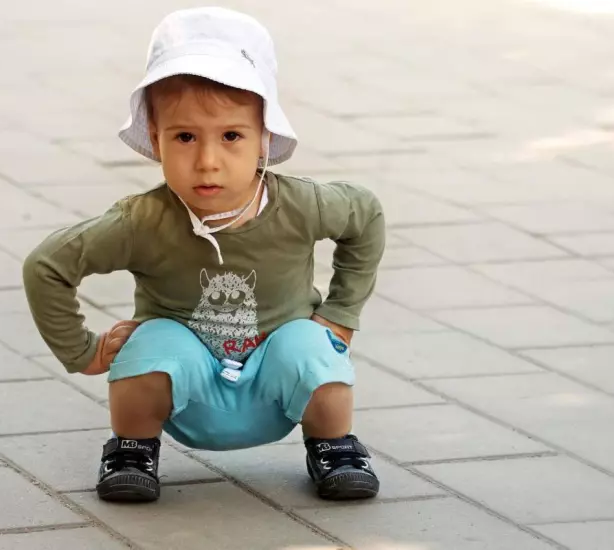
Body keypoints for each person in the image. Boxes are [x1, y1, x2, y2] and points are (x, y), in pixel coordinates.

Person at [23, 6, 385, 503]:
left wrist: (341, 312)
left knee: (309, 344)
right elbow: (47, 265)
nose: (207, 161)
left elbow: (365, 215)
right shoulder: (142, 221)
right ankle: (131, 449)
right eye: (185, 137)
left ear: (264, 138)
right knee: (155, 340)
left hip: (275, 385)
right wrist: (82, 351)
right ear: (156, 140)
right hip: (185, 392)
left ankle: (334, 446)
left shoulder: (303, 205)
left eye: (232, 136)